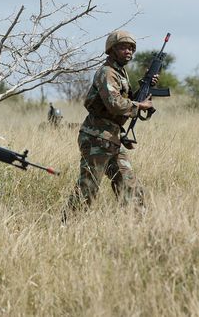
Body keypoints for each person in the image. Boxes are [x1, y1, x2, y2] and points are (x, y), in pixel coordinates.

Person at [63, 30, 158, 221]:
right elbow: (114, 104)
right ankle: (67, 226)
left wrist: (145, 89)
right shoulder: (107, 73)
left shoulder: (120, 74)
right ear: (112, 50)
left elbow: (124, 103)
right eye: (123, 47)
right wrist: (139, 105)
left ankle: (138, 225)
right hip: (96, 138)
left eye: (131, 48)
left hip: (112, 138)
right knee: (88, 187)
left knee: (128, 184)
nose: (128, 52)